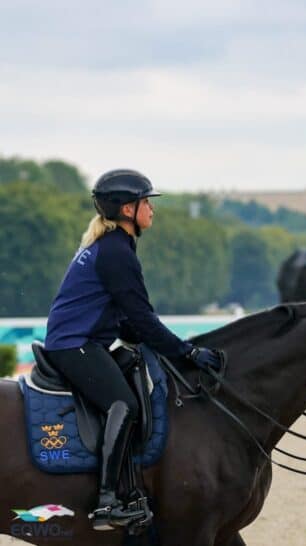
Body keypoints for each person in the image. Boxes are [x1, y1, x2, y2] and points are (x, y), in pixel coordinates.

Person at [44, 169, 221, 531]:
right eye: (146, 202)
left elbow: (125, 318)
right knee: (122, 405)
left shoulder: (115, 246)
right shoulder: (114, 251)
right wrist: (185, 353)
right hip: (73, 346)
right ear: (128, 209)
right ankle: (108, 502)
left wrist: (153, 342)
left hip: (84, 342)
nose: (152, 210)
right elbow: (141, 317)